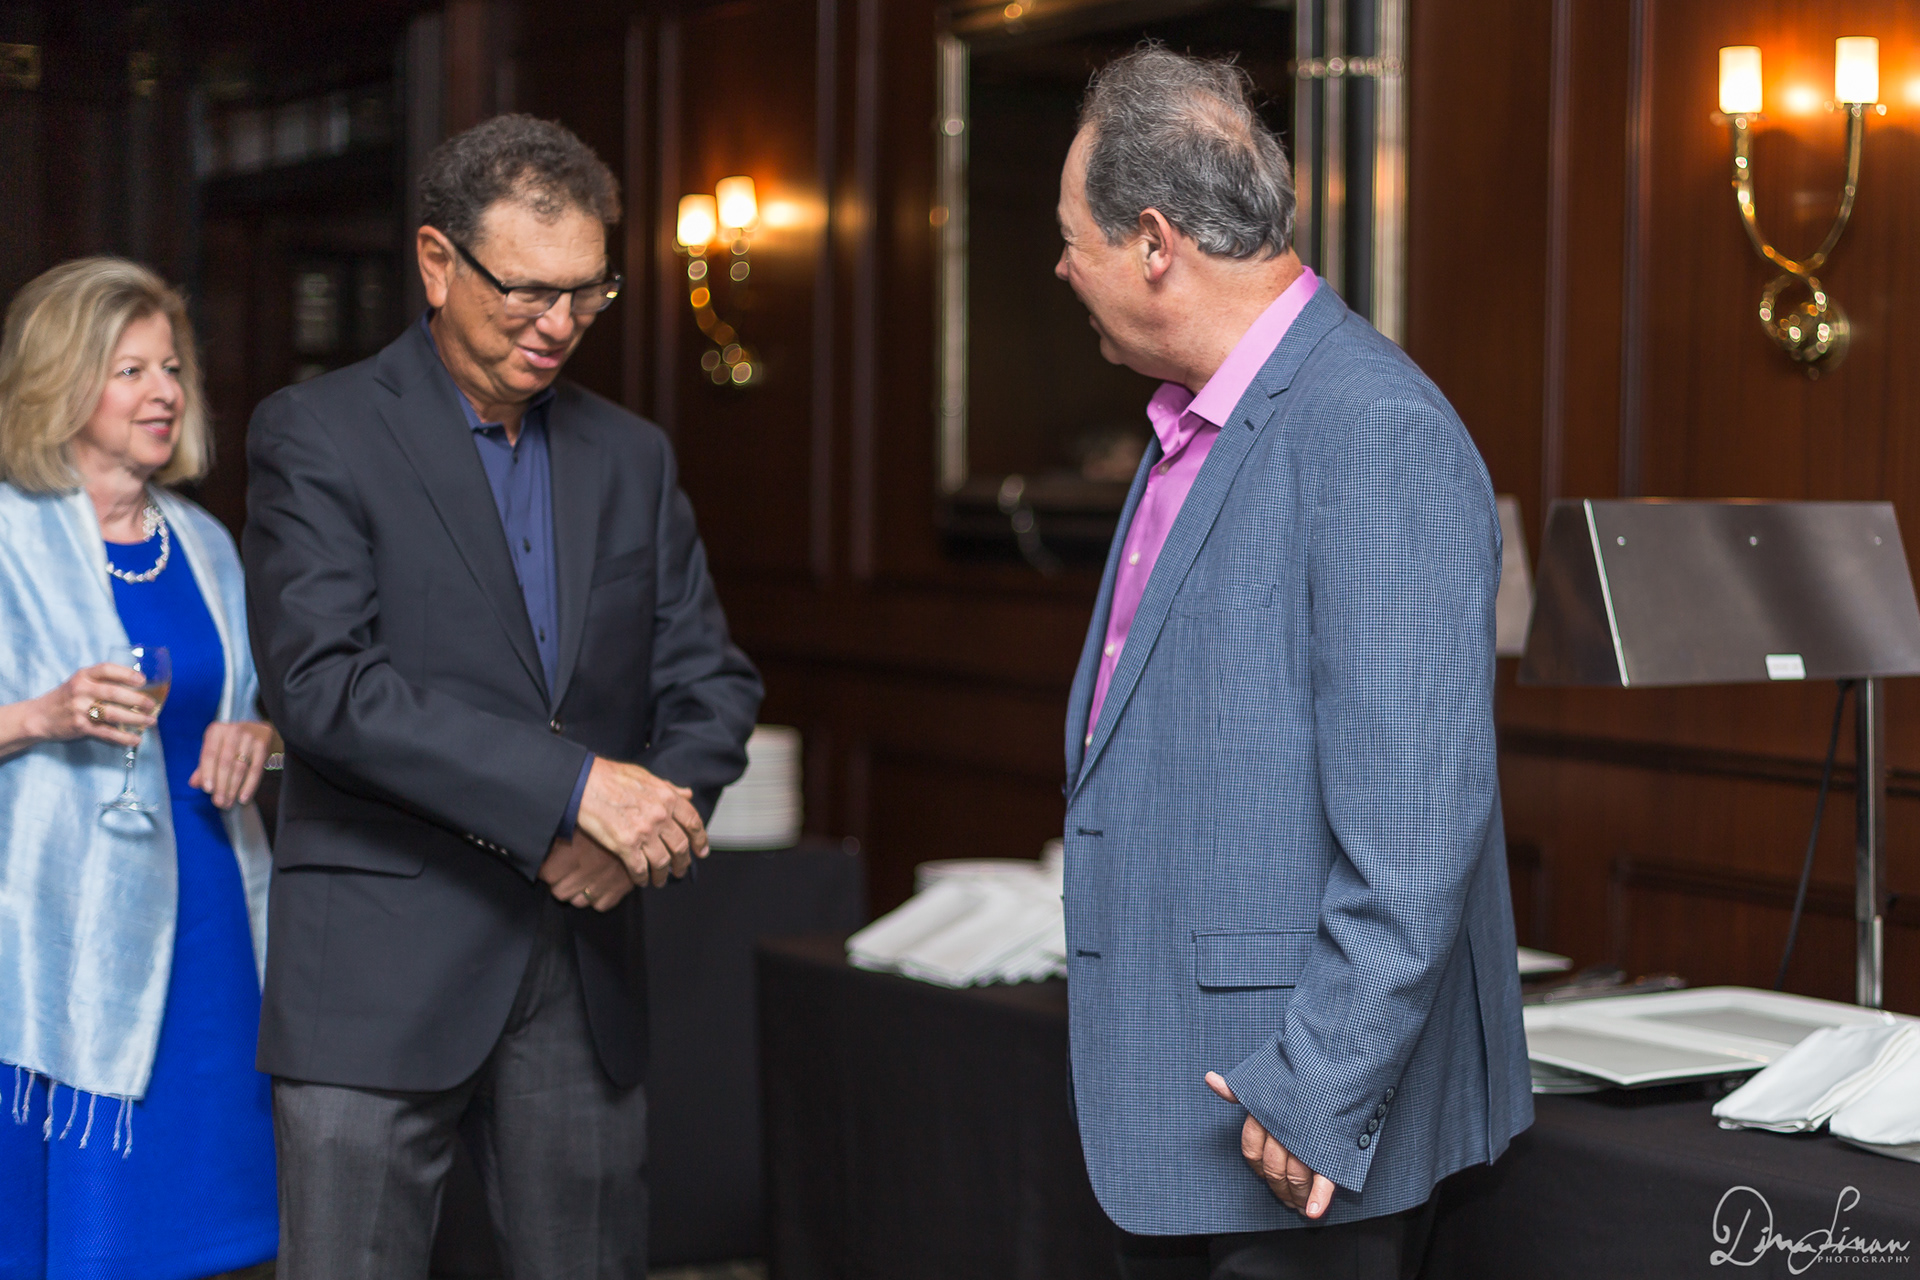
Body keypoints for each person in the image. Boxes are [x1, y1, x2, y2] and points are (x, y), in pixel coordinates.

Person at [244, 113, 762, 1277]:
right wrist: (576, 789)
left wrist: (635, 832)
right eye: (528, 290)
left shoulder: (632, 455)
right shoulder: (317, 434)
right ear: (437, 262)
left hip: (579, 970)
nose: (560, 323)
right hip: (378, 968)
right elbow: (326, 687)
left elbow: (711, 682)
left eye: (588, 292)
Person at [1054, 47, 1532, 1279]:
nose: (1060, 268)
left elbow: (1418, 824)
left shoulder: (1373, 429)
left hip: (1296, 1118)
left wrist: (1322, 1079)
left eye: (1072, 239)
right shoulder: (1189, 422)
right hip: (1181, 1097)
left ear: (1153, 243)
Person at [0, 258, 278, 1279]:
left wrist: (260, 736)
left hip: (214, 919)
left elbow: (243, 709)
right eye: (130, 371)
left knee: (211, 1228)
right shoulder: (7, 535)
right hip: (62, 938)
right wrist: (41, 714)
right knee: (94, 1232)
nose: (164, 392)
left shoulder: (204, 542)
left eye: (171, 368)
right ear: (62, 380)